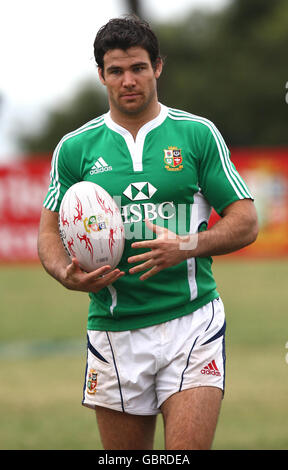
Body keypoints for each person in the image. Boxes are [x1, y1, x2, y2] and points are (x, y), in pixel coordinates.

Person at [38, 15, 258, 450]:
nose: (128, 80)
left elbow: (246, 221)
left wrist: (188, 245)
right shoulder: (75, 149)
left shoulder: (196, 134)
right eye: (116, 71)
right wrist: (65, 271)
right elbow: (48, 235)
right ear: (101, 74)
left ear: (157, 66)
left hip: (192, 323)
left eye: (138, 67)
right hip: (114, 329)